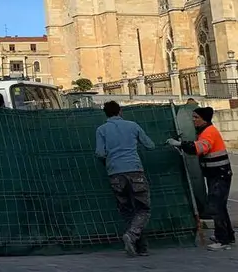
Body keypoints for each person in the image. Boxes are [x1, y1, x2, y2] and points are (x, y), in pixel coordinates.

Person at [167, 106, 235, 250]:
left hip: (219, 174)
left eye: (196, 117)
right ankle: (227, 236)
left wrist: (180, 144)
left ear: (204, 119)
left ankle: (223, 241)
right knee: (220, 206)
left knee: (215, 206)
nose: (193, 120)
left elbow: (200, 148)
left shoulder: (208, 132)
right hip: (216, 174)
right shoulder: (205, 131)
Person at [96, 100, 156, 256]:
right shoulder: (133, 125)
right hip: (135, 170)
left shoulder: (101, 130)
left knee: (128, 210)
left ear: (105, 113)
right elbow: (150, 145)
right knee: (143, 208)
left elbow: (100, 153)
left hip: (115, 173)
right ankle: (132, 236)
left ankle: (140, 247)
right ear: (120, 111)